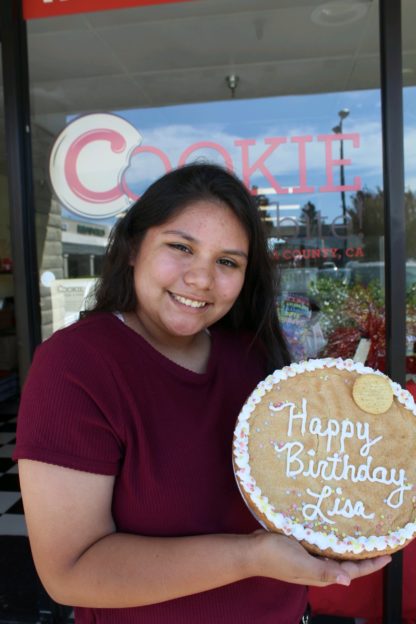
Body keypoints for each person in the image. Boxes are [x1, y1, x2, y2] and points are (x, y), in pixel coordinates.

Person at [14, 163, 390, 624]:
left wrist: (338, 526)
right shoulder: (75, 366)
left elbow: (301, 488)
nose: (201, 278)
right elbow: (69, 572)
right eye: (180, 247)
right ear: (134, 247)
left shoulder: (253, 357)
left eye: (227, 261)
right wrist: (250, 557)